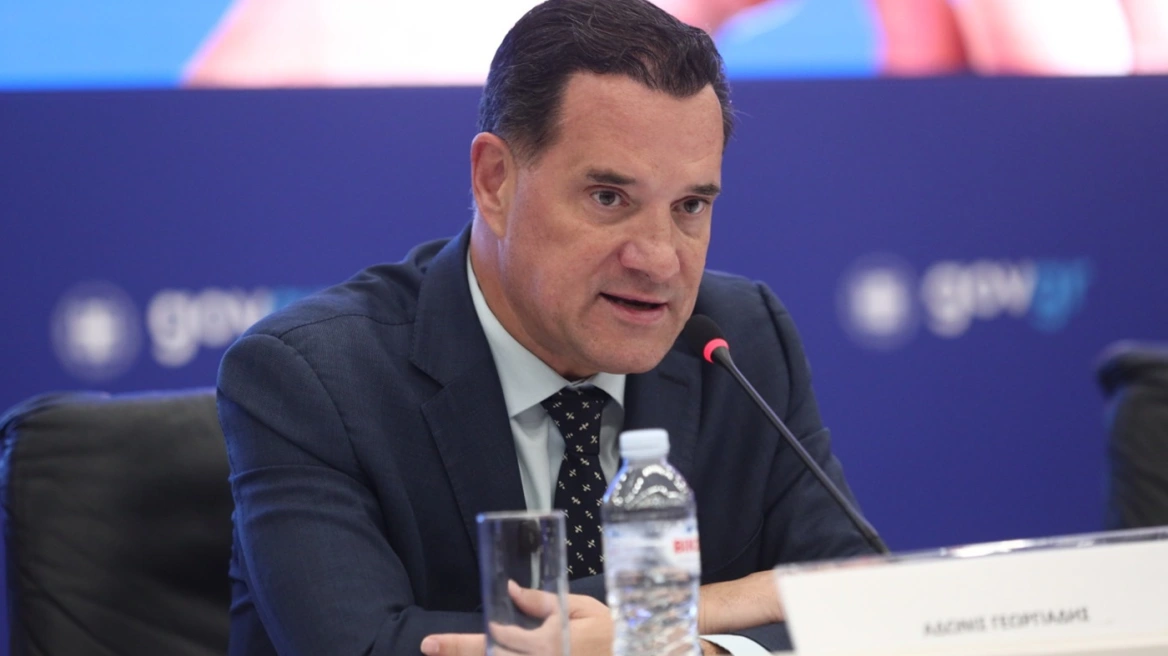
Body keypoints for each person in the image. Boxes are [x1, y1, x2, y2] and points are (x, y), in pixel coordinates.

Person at [216, 1, 875, 654]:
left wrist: (690, 648)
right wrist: (690, 613)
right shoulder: (314, 379)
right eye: (608, 198)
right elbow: (362, 647)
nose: (658, 259)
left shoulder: (740, 341)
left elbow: (861, 604)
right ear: (495, 182)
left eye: (690, 206)